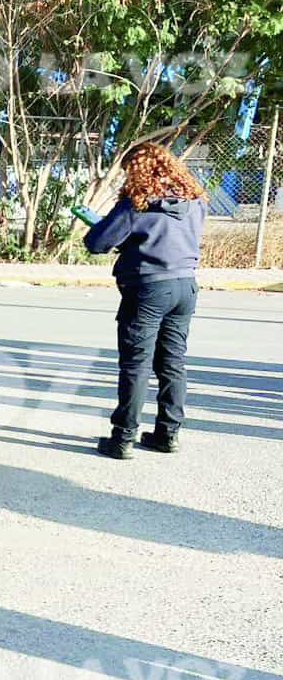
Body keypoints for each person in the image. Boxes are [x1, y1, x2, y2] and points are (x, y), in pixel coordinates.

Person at [83, 142, 206, 459]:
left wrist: (106, 227)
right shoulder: (194, 200)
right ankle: (168, 434)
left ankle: (123, 438)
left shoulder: (136, 203)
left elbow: (97, 243)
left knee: (136, 365)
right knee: (172, 363)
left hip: (148, 288)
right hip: (185, 285)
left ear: (136, 170)